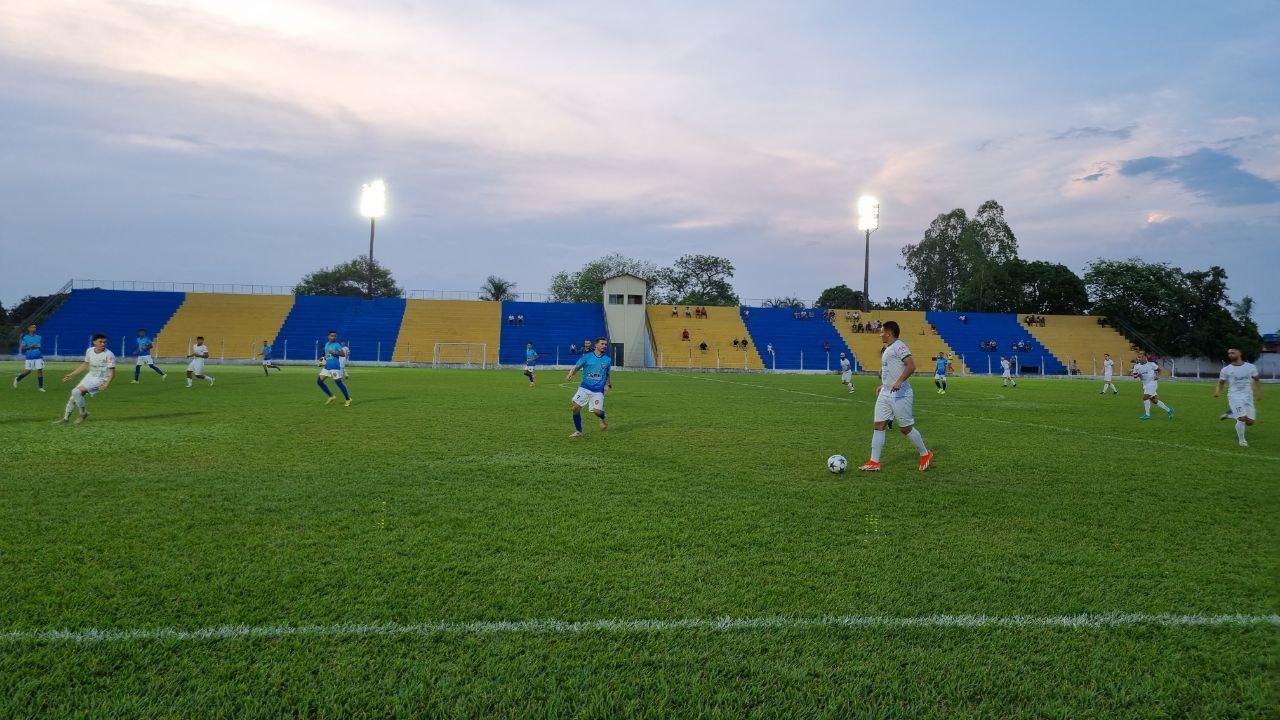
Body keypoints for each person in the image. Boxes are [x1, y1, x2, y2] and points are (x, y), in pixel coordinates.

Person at [858, 321, 933, 472]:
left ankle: (925, 454)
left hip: (901, 393)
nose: (880, 334)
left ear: (889, 333)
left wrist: (899, 382)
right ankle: (874, 461)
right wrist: (884, 385)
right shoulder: (889, 348)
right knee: (878, 425)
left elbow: (911, 365)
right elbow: (891, 369)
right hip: (886, 392)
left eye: (882, 332)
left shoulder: (899, 346)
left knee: (905, 428)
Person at [55, 333, 115, 424]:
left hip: (101, 379)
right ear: (94, 342)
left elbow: (112, 373)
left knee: (76, 391)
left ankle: (83, 413)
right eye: (100, 342)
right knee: (74, 397)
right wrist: (71, 375)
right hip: (90, 376)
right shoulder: (89, 351)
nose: (103, 344)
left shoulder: (109, 354)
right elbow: (85, 365)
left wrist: (106, 384)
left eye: (105, 342)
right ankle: (66, 418)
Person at [1214, 348, 1262, 447]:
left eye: (1233, 352)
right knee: (1242, 418)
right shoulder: (1226, 369)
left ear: (1239, 353)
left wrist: (1258, 393)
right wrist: (1218, 392)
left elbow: (1257, 380)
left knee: (1250, 422)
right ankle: (1242, 441)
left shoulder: (1251, 367)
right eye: (1229, 353)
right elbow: (1221, 382)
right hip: (1234, 396)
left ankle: (1230, 414)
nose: (1230, 355)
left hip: (1248, 396)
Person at [566, 337, 611, 438]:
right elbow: (577, 367)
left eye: (605, 344)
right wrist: (571, 374)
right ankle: (578, 431)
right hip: (584, 387)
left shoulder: (607, 360)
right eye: (602, 344)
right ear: (596, 345)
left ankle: (602, 417)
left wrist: (608, 384)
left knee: (597, 412)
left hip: (598, 390)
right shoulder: (587, 357)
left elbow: (607, 373)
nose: (604, 346)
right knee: (575, 408)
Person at [1131, 351, 1172, 420]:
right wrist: (1138, 375)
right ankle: (1169, 410)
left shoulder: (1151, 364)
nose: (1139, 358)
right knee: (1154, 400)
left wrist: (1158, 376)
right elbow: (1134, 376)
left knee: (1145, 397)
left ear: (1145, 357)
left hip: (1152, 383)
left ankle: (1148, 415)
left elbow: (1159, 370)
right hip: (1145, 384)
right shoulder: (1136, 366)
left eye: (1141, 357)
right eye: (1138, 357)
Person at [317, 330, 351, 406]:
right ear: (328, 336)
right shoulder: (326, 344)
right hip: (327, 367)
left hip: (334, 367)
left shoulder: (337, 345)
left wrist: (335, 353)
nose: (333, 337)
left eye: (335, 336)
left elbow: (342, 354)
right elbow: (327, 355)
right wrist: (322, 360)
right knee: (319, 381)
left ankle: (348, 399)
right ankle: (331, 396)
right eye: (332, 336)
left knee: (338, 383)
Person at [14, 323, 46, 392]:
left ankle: (40, 387)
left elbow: (39, 346)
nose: (34, 328)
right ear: (29, 329)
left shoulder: (39, 337)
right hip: (29, 356)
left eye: (35, 327)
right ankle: (17, 378)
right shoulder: (25, 337)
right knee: (28, 371)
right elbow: (23, 347)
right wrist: (31, 346)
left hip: (38, 355)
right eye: (33, 327)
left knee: (40, 371)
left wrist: (41, 354)